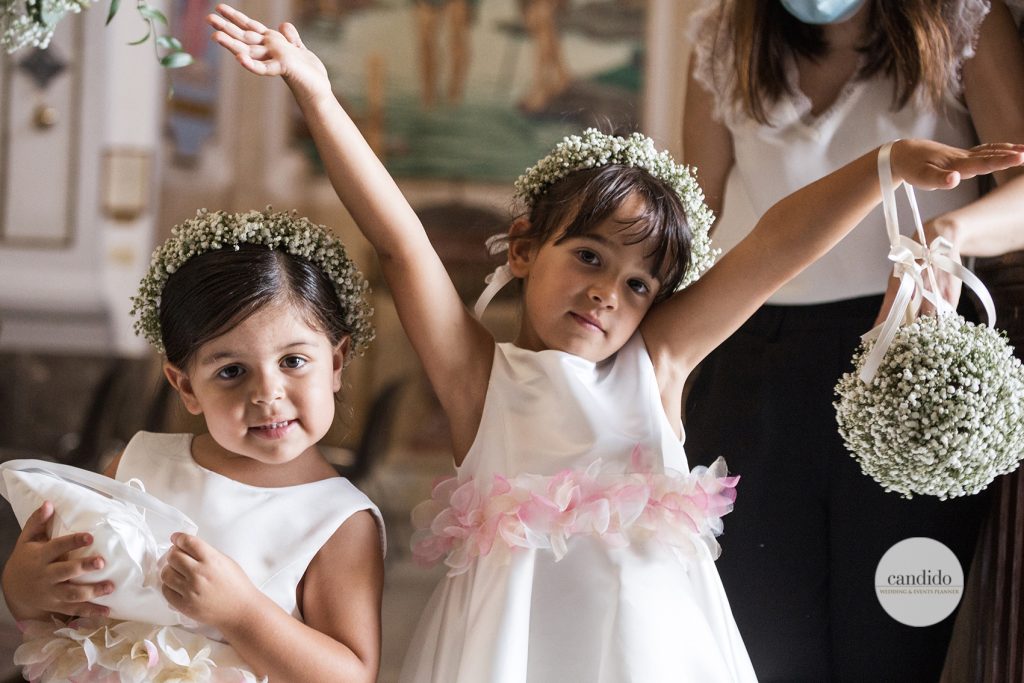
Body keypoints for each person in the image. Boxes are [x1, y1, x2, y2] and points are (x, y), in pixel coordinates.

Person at [208, 5, 1023, 681]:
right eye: (590, 257)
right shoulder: (478, 378)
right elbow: (400, 241)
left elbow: (777, 241)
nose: (608, 290)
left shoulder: (658, 362)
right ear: (523, 248)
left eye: (639, 283)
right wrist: (315, 91)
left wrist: (882, 167)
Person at [682, 0, 1024, 680]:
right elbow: (694, 217)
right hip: (752, 370)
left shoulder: (965, 20)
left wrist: (949, 237)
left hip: (915, 367)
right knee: (760, 644)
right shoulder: (723, 35)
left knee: (900, 638)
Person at [1, 208, 386, 683]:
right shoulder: (136, 463)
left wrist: (242, 612)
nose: (267, 393)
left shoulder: (340, 521)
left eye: (293, 360)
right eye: (230, 371)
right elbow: (67, 615)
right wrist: (25, 585)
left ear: (336, 362)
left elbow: (353, 675)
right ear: (185, 387)